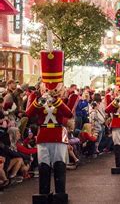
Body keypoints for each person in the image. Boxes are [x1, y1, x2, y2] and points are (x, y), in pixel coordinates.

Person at [25, 49, 74, 203]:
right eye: (46, 87)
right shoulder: (38, 98)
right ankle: (44, 193)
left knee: (59, 162)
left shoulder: (62, 99)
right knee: (44, 164)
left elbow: (69, 114)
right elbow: (28, 113)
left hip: (59, 133)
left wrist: (57, 101)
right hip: (43, 134)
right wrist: (39, 101)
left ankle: (60, 192)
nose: (49, 90)